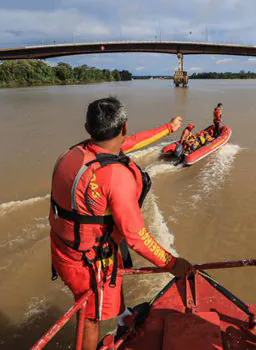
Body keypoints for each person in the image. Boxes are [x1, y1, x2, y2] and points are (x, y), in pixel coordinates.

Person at [49, 97, 192, 350]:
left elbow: (134, 141)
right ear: (123, 127)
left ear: (87, 128)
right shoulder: (116, 176)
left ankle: (124, 317)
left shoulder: (72, 154)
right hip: (88, 263)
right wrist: (173, 264)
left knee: (113, 275)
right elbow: (137, 236)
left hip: (64, 249)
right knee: (90, 318)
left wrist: (169, 129)